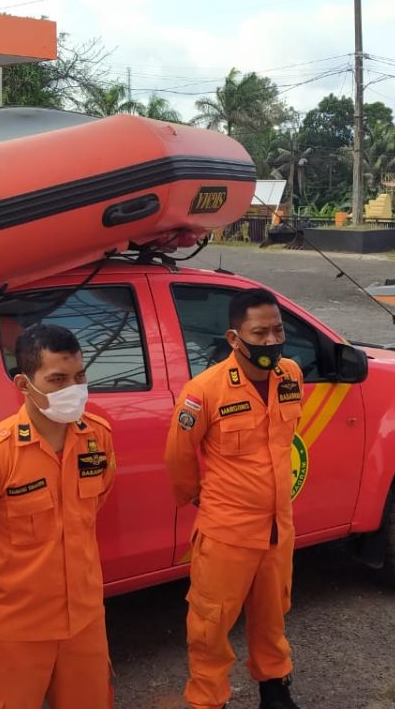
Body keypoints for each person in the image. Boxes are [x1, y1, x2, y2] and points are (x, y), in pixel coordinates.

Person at [0, 324, 115, 709]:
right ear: (23, 384)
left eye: (79, 377)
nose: (73, 389)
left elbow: (95, 501)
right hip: (17, 626)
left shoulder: (97, 438)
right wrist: (10, 575)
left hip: (83, 620)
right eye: (58, 379)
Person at [165, 288, 305, 709]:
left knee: (272, 615)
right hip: (227, 531)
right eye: (259, 333)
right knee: (210, 624)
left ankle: (275, 688)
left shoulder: (291, 376)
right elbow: (177, 456)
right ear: (233, 338)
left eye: (277, 330)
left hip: (278, 529)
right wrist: (198, 498)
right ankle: (209, 700)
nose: (270, 341)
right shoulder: (204, 391)